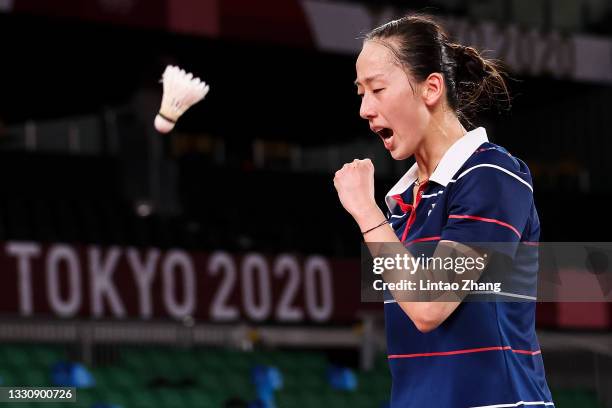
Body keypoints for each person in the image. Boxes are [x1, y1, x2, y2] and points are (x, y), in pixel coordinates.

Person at [333, 14, 554, 408]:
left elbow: (430, 306)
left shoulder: (492, 174)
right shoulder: (400, 204)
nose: (365, 109)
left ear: (431, 88)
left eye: (378, 89)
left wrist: (365, 211)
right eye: (360, 93)